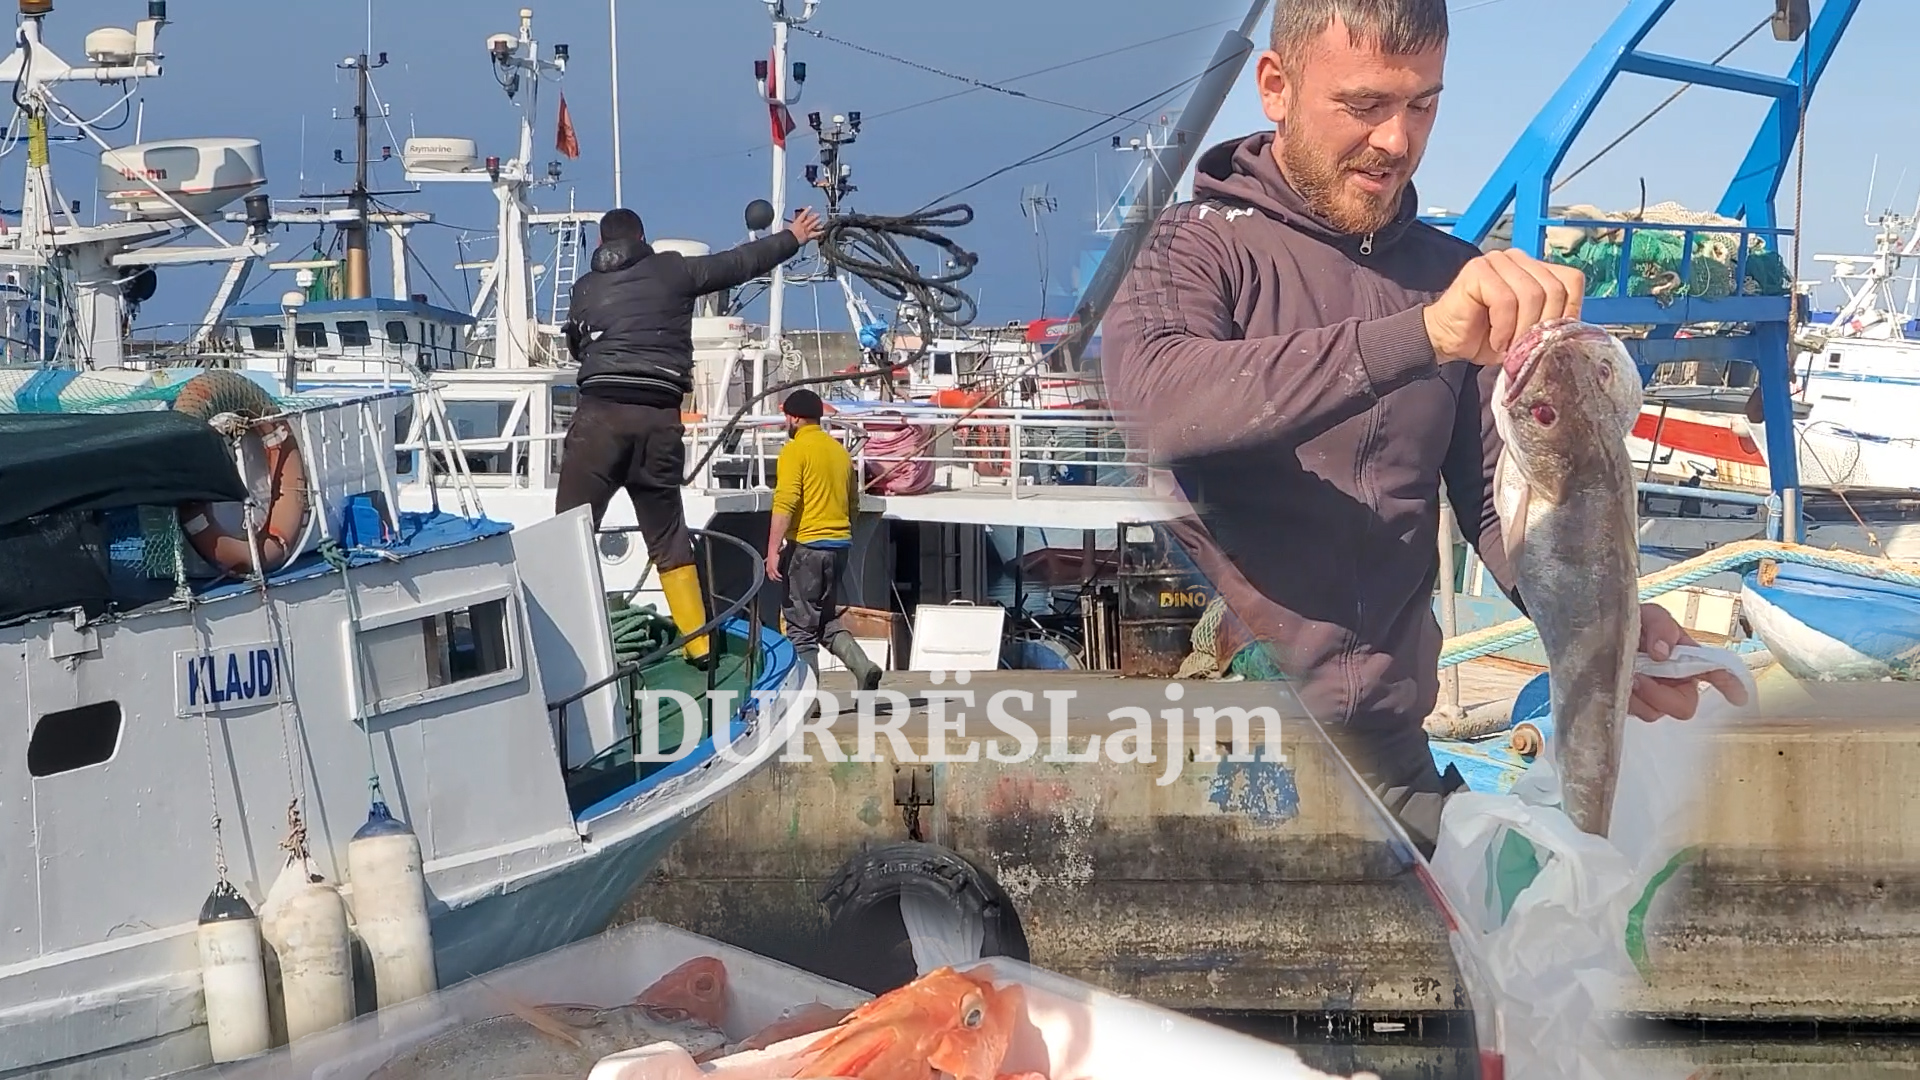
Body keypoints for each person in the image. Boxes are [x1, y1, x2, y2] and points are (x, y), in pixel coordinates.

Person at [1101, 0, 1746, 853]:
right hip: (1213, 757)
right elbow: (1157, 403)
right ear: (1276, 86)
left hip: (1394, 765)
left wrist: (1609, 626)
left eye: (1423, 105)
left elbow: (1501, 508)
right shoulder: (1188, 248)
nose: (1397, 142)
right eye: (1365, 105)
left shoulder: (1448, 274)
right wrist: (1425, 335)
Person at [559, 204, 825, 667]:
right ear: (644, 239)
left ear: (601, 245)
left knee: (570, 530)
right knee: (666, 532)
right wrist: (793, 238)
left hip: (598, 420)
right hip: (659, 420)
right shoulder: (673, 271)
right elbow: (738, 264)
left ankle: (566, 640)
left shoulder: (585, 288)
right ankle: (699, 647)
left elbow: (578, 345)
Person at [765, 388, 883, 692]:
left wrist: (772, 550)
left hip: (807, 547)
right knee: (824, 618)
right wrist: (841, 537)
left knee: (800, 628)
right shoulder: (840, 453)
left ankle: (808, 699)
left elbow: (786, 501)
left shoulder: (795, 451)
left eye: (786, 418)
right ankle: (862, 665)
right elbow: (853, 505)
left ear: (793, 418)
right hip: (838, 547)